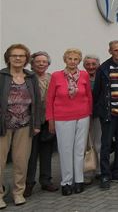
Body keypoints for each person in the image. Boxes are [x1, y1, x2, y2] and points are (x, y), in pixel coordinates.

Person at [46, 48, 92, 195]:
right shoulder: (56, 76)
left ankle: (79, 180)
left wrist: (89, 114)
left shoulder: (84, 75)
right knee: (65, 150)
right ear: (65, 60)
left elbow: (89, 96)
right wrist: (50, 120)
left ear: (79, 61)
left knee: (79, 150)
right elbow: (49, 99)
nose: (73, 61)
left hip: (83, 116)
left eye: (76, 59)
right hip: (63, 117)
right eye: (70, 59)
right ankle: (66, 182)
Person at [0, 44, 41, 207]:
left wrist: (36, 123)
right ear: (8, 58)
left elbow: (37, 102)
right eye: (14, 55)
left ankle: (18, 192)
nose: (18, 58)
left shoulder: (31, 77)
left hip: (25, 125)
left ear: (26, 59)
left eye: (21, 56)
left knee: (21, 161)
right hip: (3, 126)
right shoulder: (2, 76)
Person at [93, 41, 118, 190]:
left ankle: (117, 171)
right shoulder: (103, 68)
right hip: (109, 114)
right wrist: (99, 111)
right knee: (106, 144)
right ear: (110, 51)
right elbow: (97, 92)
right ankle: (105, 174)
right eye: (115, 50)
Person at [24, 51, 58, 197]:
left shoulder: (52, 78)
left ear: (48, 64)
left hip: (48, 121)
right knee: (30, 154)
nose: (41, 64)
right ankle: (28, 183)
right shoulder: (27, 78)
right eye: (38, 61)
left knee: (46, 152)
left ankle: (46, 181)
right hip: (31, 121)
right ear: (32, 63)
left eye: (44, 61)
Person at [82, 54, 101, 185]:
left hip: (98, 115)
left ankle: (99, 170)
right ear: (84, 65)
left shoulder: (101, 77)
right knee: (86, 145)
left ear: (98, 65)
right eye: (88, 64)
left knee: (98, 143)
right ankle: (87, 172)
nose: (91, 67)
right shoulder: (81, 77)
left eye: (93, 64)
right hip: (83, 115)